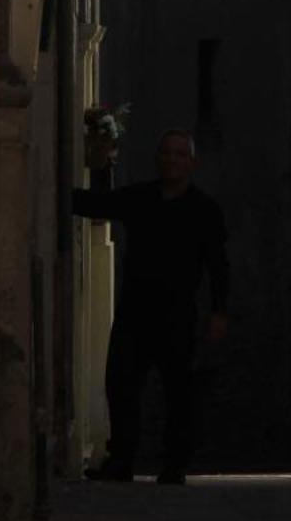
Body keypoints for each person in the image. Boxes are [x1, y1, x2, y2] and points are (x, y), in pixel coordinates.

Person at [72, 126, 228, 484]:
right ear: (157, 159)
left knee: (178, 391)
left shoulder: (204, 210)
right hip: (136, 310)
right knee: (121, 385)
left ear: (192, 163)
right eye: (167, 153)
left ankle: (174, 465)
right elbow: (96, 204)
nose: (172, 160)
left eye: (180, 154)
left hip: (177, 314)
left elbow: (218, 264)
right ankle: (121, 460)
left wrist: (219, 310)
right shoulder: (140, 199)